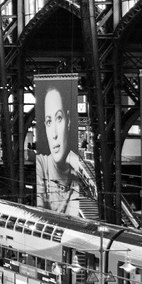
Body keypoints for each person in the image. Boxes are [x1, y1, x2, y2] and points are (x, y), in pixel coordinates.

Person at [34, 86, 86, 217]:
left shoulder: (77, 175)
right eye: (49, 121)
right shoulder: (41, 163)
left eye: (59, 118)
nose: (54, 134)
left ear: (68, 121)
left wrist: (74, 159)